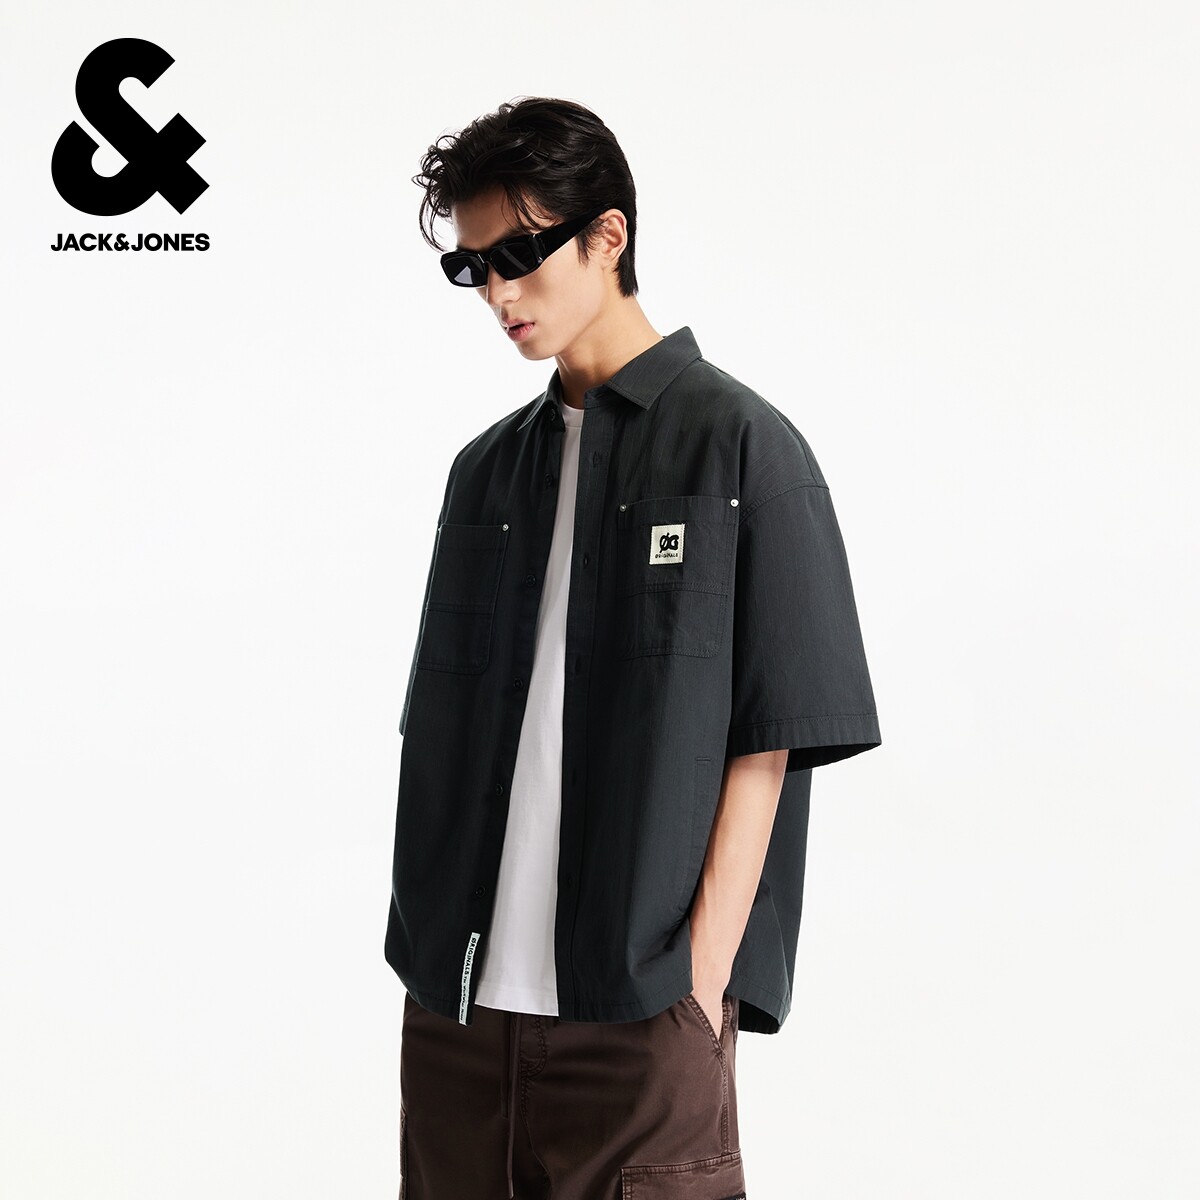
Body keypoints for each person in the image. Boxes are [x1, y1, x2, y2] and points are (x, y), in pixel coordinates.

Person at [386, 96, 882, 1199]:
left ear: (607, 235)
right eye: (472, 268)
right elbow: (443, 725)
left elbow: (772, 738)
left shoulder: (743, 448)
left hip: (641, 1015)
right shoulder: (485, 472)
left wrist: (699, 978)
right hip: (459, 1017)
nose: (499, 293)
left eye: (520, 254)